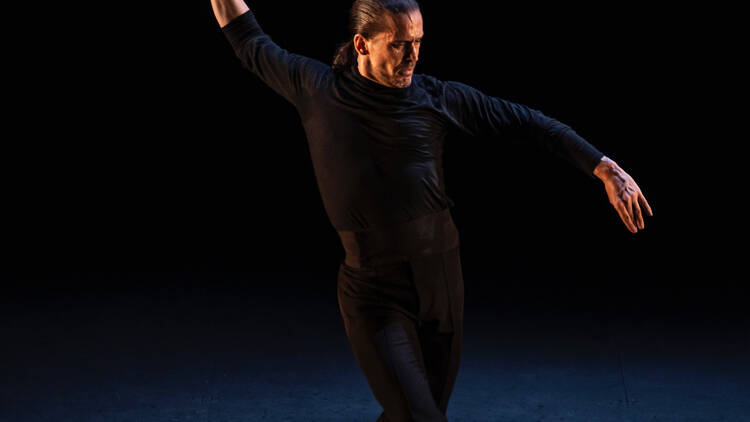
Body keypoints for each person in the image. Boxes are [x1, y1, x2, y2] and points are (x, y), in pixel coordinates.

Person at [209, 1, 653, 420]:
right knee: (419, 415)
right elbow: (247, 39)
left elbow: (528, 121)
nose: (413, 56)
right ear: (363, 43)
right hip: (372, 290)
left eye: (419, 42)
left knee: (422, 413)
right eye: (399, 44)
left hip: (441, 281)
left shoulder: (436, 98)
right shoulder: (316, 88)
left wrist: (603, 167)